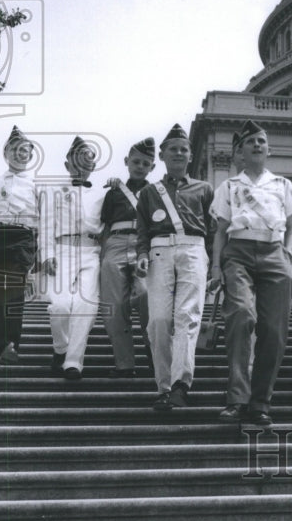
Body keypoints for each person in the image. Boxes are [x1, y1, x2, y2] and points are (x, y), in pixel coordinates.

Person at [212, 120, 292, 427]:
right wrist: (216, 266)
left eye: (262, 141)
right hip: (238, 252)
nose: (257, 145)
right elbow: (221, 229)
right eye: (250, 141)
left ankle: (261, 401)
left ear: (268, 148)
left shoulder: (282, 185)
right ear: (240, 150)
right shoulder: (229, 186)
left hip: (274, 254)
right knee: (241, 315)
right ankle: (237, 398)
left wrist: (288, 254)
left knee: (274, 331)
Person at [136, 124, 216, 411]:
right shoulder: (148, 192)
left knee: (187, 317)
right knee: (157, 321)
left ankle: (180, 385)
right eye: (173, 148)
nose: (179, 153)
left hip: (193, 250)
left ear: (191, 156)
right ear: (163, 154)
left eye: (184, 149)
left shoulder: (205, 189)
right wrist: (142, 253)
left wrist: (214, 264)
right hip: (159, 252)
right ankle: (163, 386)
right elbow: (142, 229)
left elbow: (213, 230)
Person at [40, 136, 105, 383]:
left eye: (87, 158)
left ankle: (73, 362)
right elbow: (45, 226)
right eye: (76, 158)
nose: (82, 163)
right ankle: (60, 349)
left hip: (91, 251)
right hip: (62, 250)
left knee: (85, 305)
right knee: (59, 305)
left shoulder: (102, 193)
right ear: (67, 164)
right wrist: (47, 254)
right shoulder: (52, 191)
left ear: (93, 165)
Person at [0, 125, 40, 371]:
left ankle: (12, 345)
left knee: (14, 292)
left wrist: (39, 252)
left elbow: (43, 219)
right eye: (15, 149)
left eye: (25, 150)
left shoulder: (37, 184)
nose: (21, 154)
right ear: (6, 153)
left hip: (22, 236)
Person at [99, 137, 156, 377]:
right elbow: (105, 225)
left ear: (152, 167)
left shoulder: (156, 192)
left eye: (145, 163)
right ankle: (124, 364)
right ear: (126, 162)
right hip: (116, 243)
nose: (140, 166)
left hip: (144, 245)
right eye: (136, 161)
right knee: (114, 305)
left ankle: (154, 352)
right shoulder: (114, 191)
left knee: (146, 297)